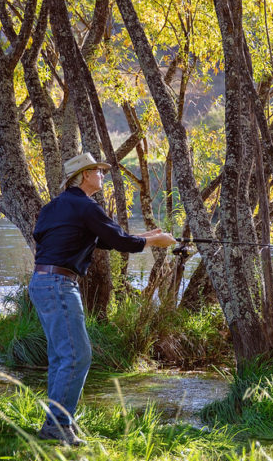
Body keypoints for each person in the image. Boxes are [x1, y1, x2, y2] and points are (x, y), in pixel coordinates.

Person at [29, 152, 176, 445]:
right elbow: (120, 242)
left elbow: (108, 239)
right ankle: (57, 426)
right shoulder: (86, 207)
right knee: (77, 355)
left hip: (41, 283)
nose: (103, 175)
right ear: (84, 175)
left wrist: (145, 236)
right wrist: (154, 242)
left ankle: (57, 422)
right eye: (99, 171)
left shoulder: (54, 207)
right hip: (60, 284)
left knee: (61, 357)